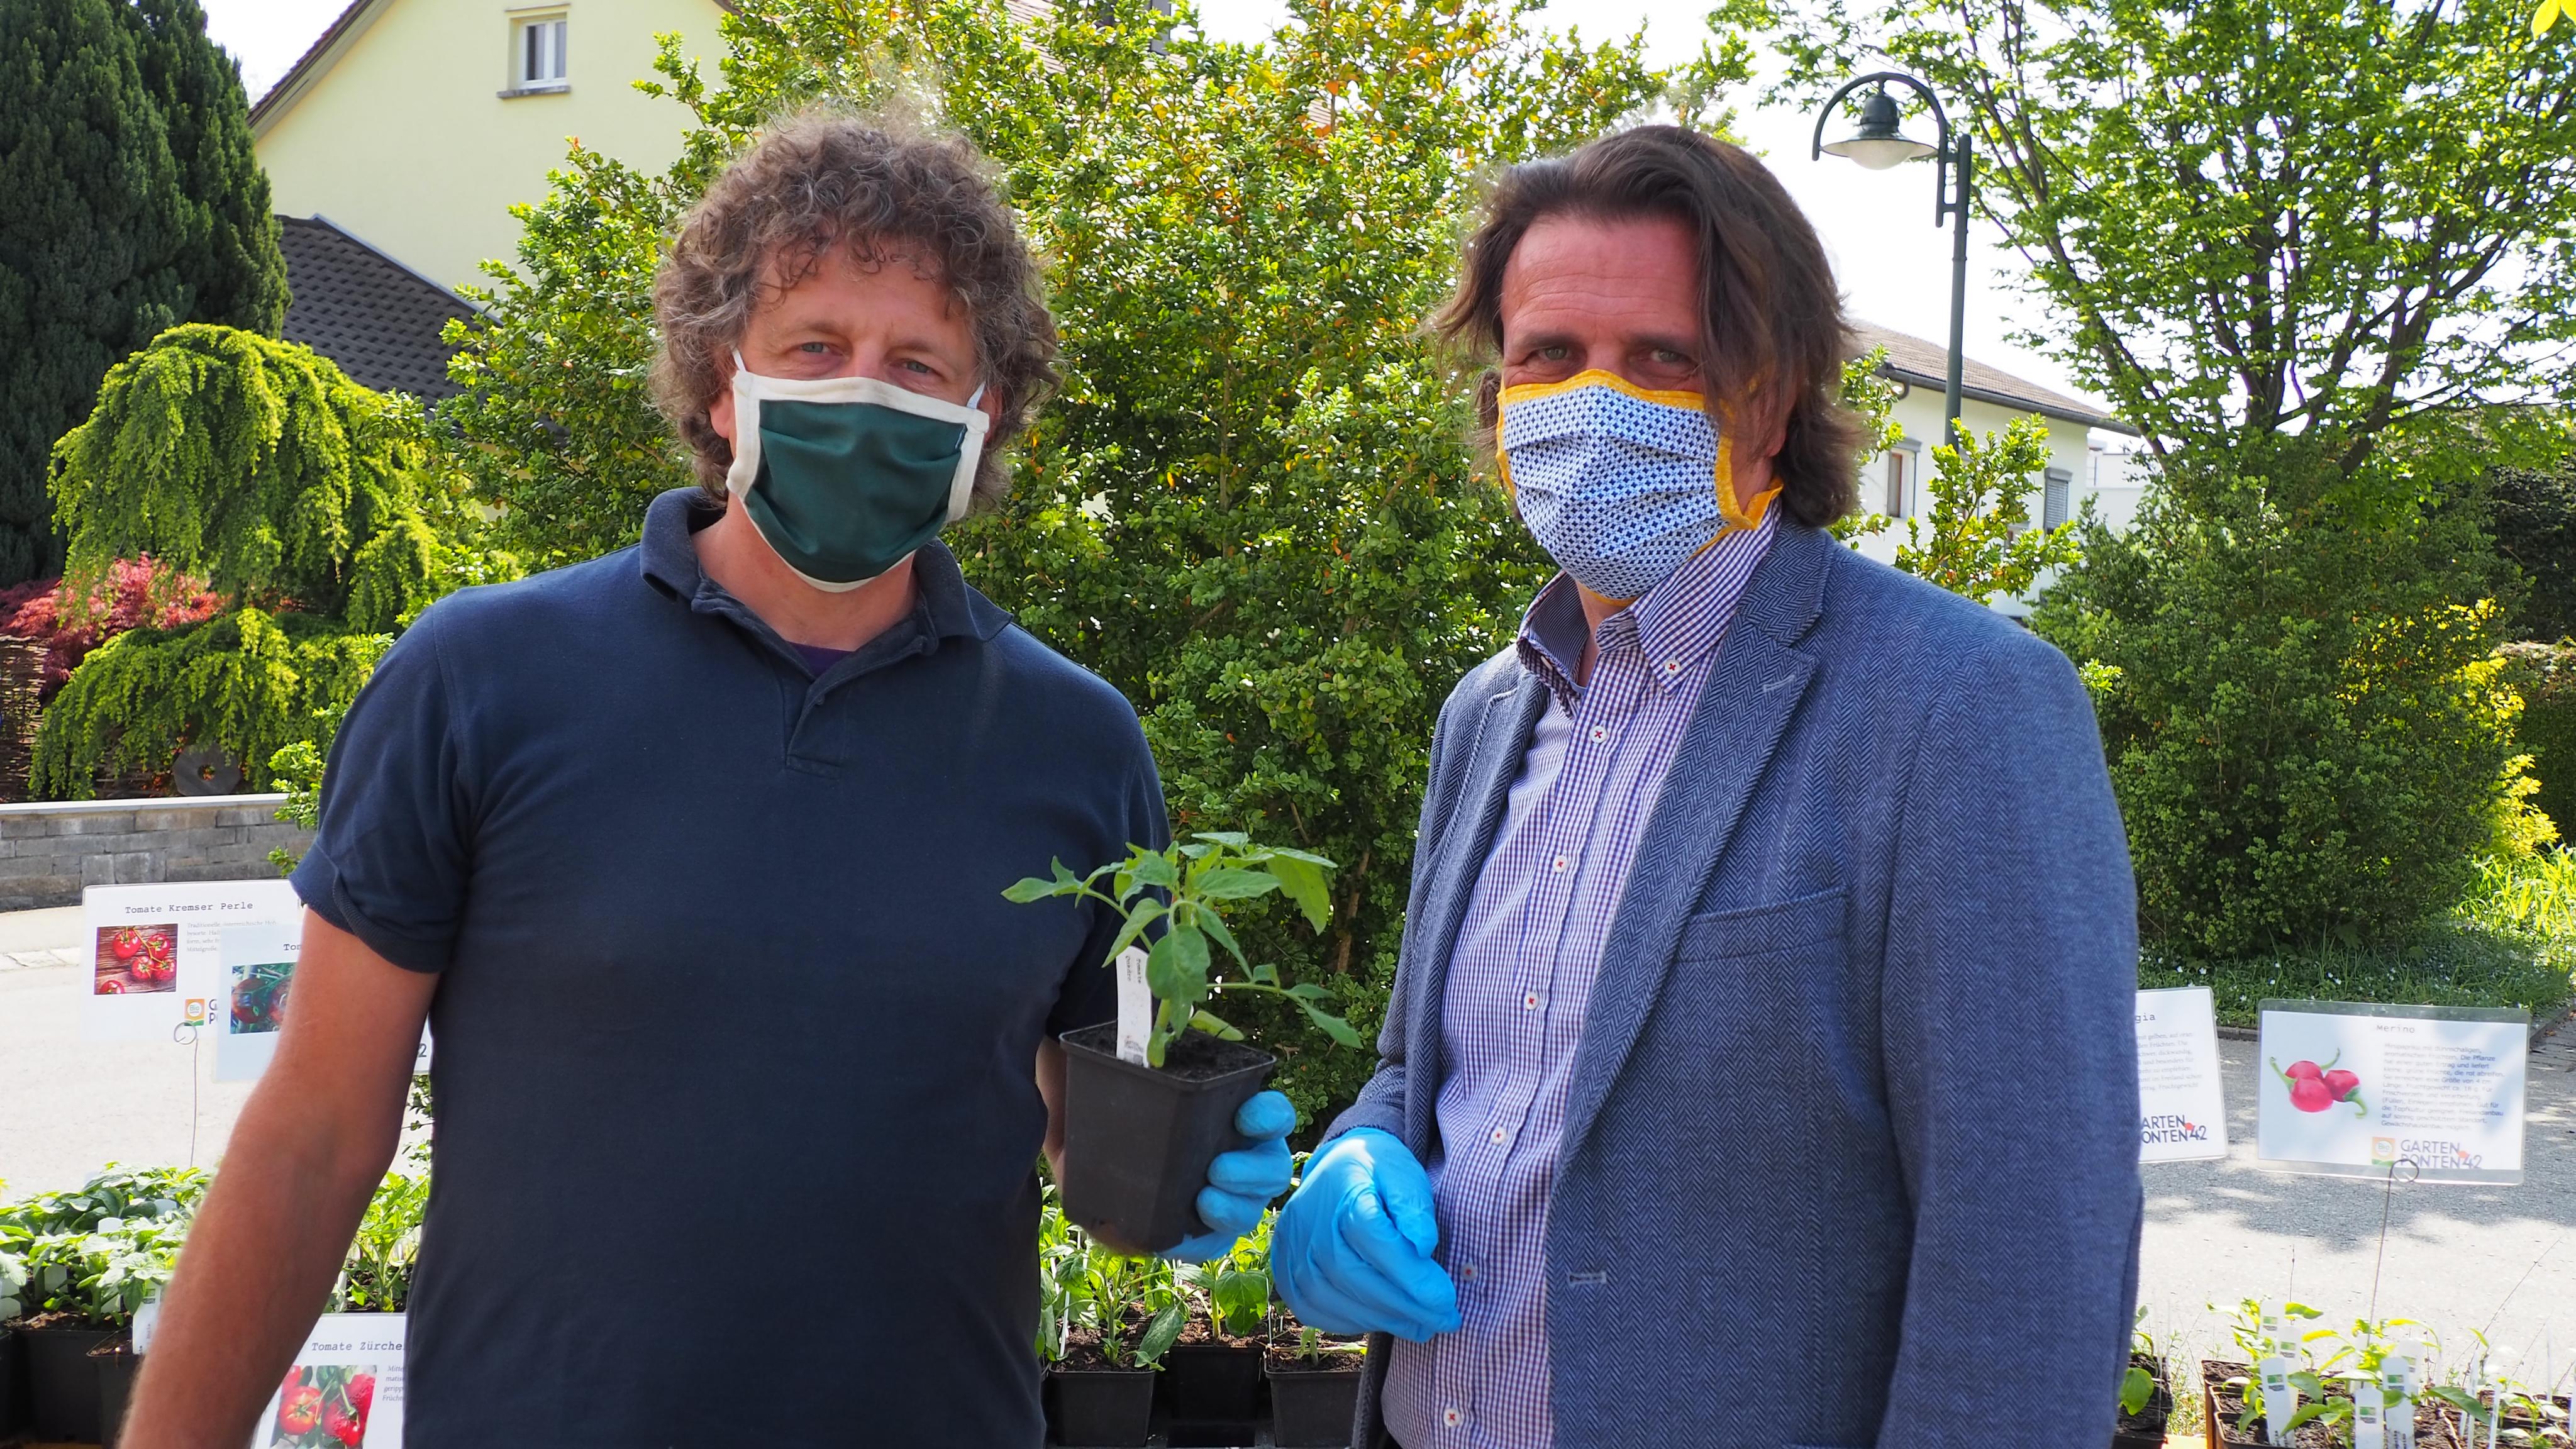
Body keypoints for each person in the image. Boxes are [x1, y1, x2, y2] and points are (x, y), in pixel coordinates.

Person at [119, 112, 1292, 1447]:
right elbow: (314, 1138)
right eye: (816, 348)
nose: (865, 393)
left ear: (981, 419)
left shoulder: (1075, 742)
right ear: (722, 384)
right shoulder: (482, 679)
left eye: (918, 365)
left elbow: (1096, 1149)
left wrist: (1193, 1174)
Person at [1270, 125, 2143, 1448]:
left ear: (1772, 398)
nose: (1592, 398)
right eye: (1547, 354)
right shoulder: (1486, 713)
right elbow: (1427, 1071)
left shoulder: (1957, 708)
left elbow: (2030, 1246)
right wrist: (1361, 1144)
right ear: (1498, 396)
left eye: (1663, 358)